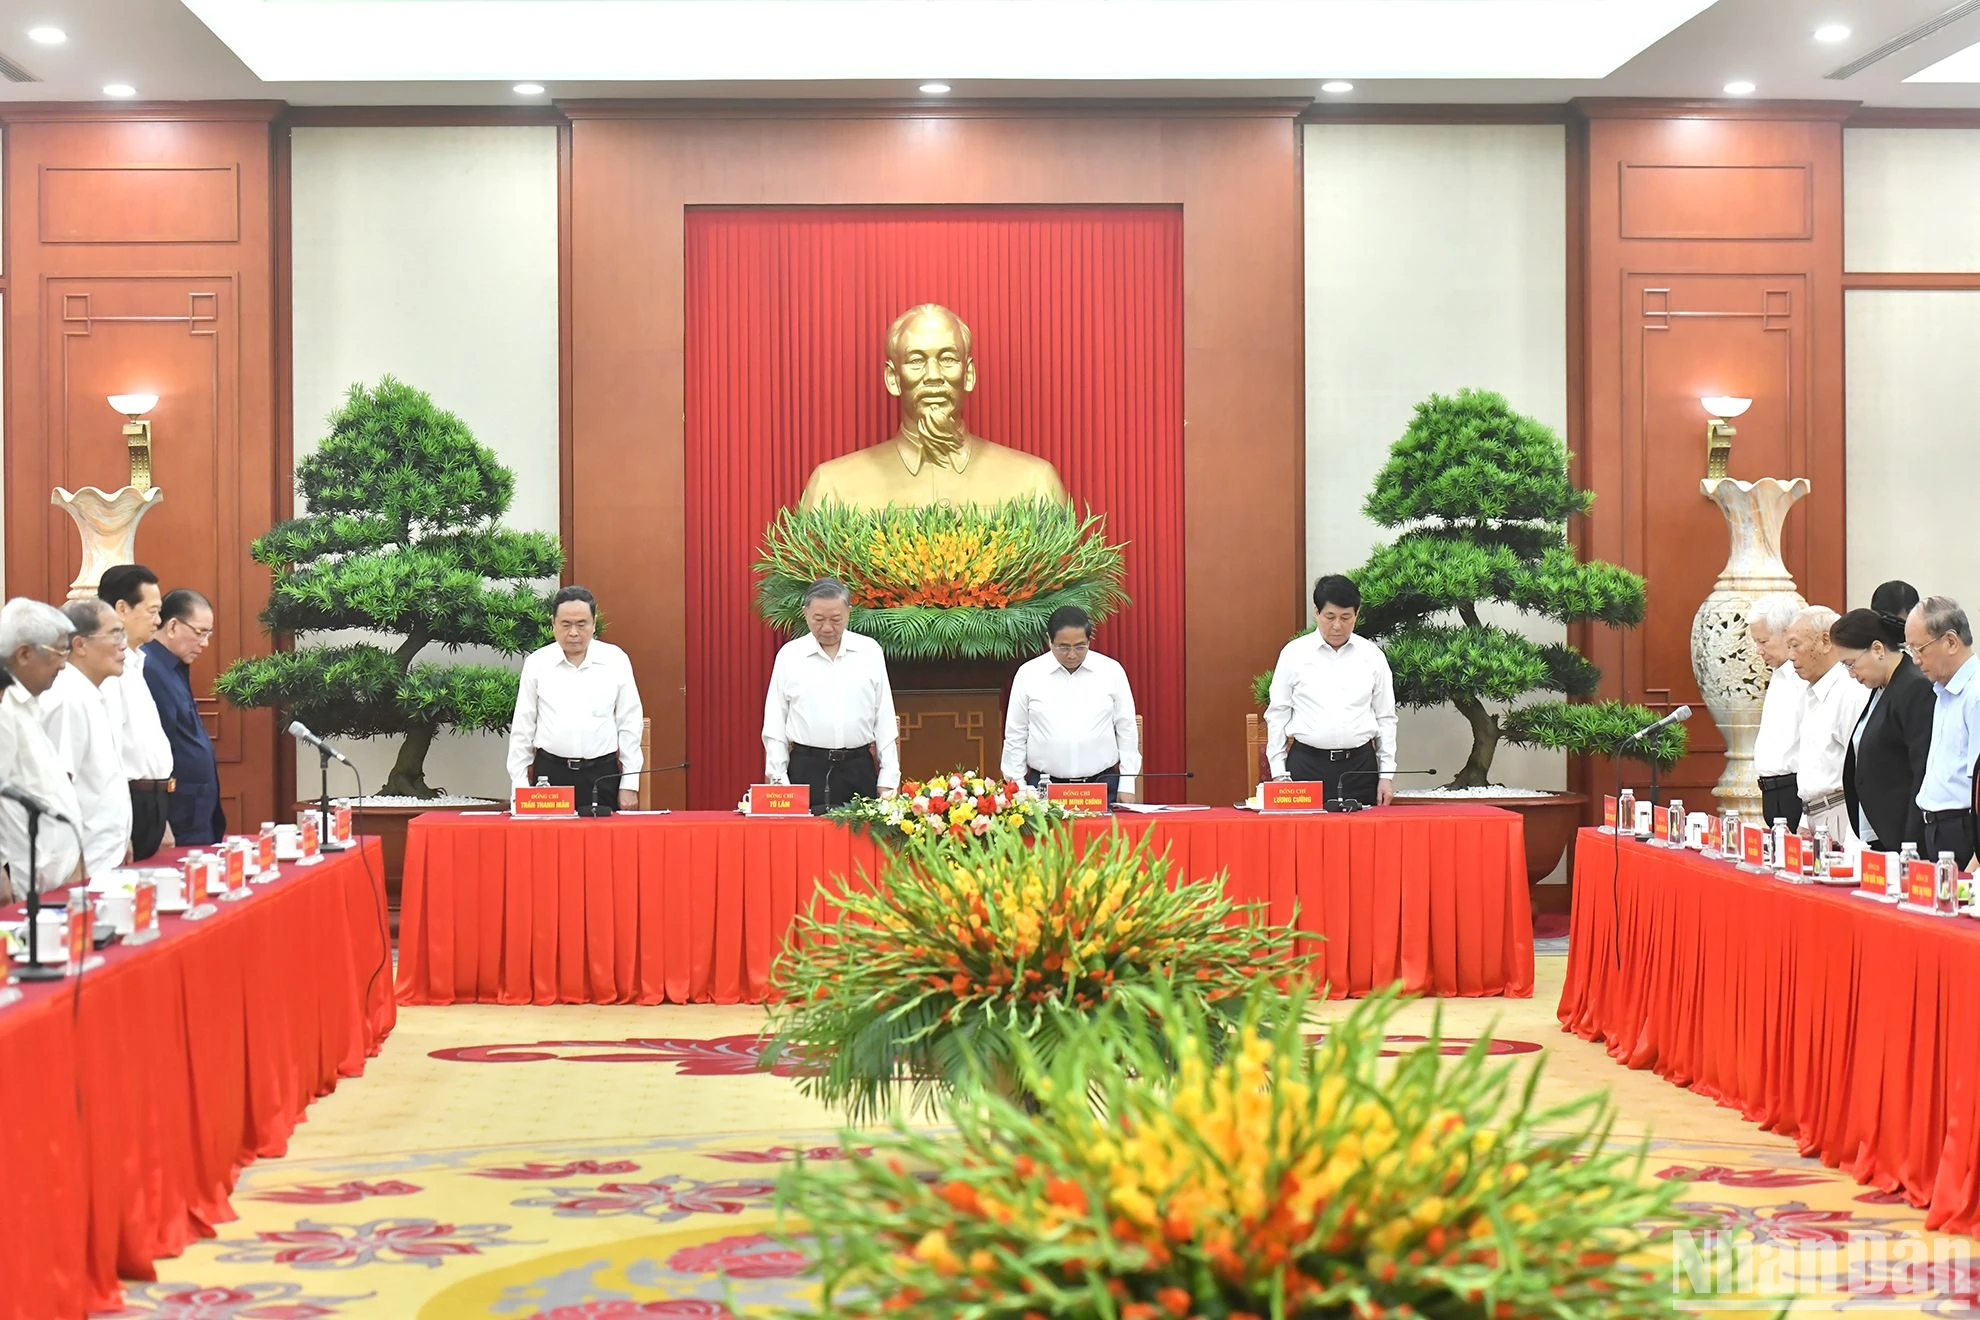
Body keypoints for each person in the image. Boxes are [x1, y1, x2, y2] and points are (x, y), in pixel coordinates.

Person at [798, 304, 1070, 511]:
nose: (933, 375)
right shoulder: (833, 487)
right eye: (916, 360)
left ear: (969, 374)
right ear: (892, 378)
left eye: (948, 359)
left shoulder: (1034, 483)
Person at [505, 585, 645, 816]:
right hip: (550, 776)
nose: (573, 633)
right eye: (566, 624)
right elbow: (523, 727)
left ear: (593, 622)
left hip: (603, 774)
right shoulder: (537, 664)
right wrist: (519, 786)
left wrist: (629, 784)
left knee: (603, 848)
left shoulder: (615, 660)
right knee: (551, 847)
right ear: (553, 623)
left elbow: (630, 724)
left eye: (582, 624)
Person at [763, 578, 899, 813]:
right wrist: (778, 778)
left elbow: (884, 716)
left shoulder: (869, 652)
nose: (827, 628)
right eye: (818, 619)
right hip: (806, 767)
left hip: (858, 766)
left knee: (860, 844)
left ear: (848, 612)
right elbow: (775, 722)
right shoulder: (790, 656)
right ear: (805, 614)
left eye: (836, 619)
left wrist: (888, 777)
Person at [1265, 574, 1398, 808]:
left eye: (1346, 617)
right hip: (1307, 765)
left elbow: (1385, 717)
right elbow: (1277, 714)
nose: (1337, 626)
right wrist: (1279, 773)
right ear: (1316, 612)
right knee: (1306, 840)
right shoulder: (1294, 654)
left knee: (1361, 840)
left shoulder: (1372, 656)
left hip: (1359, 767)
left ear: (1356, 614)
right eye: (1330, 617)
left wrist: (1386, 775)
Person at [1001, 606, 1141, 806]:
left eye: (1080, 646)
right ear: (1049, 640)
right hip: (1044, 789)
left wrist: (1127, 785)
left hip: (1102, 786)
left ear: (1089, 640)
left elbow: (1126, 730)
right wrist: (1018, 787)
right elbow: (1016, 734)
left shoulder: (1111, 671)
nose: (1072, 655)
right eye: (1064, 647)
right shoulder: (1029, 674)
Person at [41, 600, 132, 878]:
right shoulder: (67, 699)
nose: (123, 645)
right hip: (79, 869)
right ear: (79, 645)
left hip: (103, 858)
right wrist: (72, 865)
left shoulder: (93, 694)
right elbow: (55, 792)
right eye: (115, 634)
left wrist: (122, 837)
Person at [0, 599, 83, 899]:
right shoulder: (5, 709)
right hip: (23, 882)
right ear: (23, 653)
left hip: (52, 877)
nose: (64, 663)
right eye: (59, 652)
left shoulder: (28, 703)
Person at [1831, 608, 1933, 852]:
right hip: (1879, 831)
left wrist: (1911, 843)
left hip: (1903, 836)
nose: (1852, 674)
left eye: (1851, 664)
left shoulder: (1913, 687)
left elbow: (1920, 770)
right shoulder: (1881, 688)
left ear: (1877, 649)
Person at [98, 564, 174, 858]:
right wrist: (119, 828)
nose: (158, 621)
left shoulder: (137, 663)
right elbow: (110, 754)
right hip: (129, 802)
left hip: (152, 800)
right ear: (121, 609)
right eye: (152, 611)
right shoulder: (108, 670)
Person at [143, 588, 225, 845]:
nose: (205, 643)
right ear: (173, 626)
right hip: (178, 816)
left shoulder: (174, 668)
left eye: (209, 634)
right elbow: (152, 750)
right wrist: (161, 819)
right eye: (200, 633)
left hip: (196, 810)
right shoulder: (149, 670)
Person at [1786, 606, 1869, 846]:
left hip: (1842, 815)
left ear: (1825, 641)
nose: (1790, 655)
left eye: (1795, 645)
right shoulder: (1811, 692)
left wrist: (1854, 838)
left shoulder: (1850, 692)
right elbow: (1815, 763)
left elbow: (1860, 770)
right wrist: (1804, 819)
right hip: (1815, 816)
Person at [1908, 596, 1980, 868]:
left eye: (1920, 649)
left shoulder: (1975, 696)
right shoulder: (1943, 691)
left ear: (1950, 641)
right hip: (1936, 829)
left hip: (1964, 833)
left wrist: (1977, 860)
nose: (1915, 660)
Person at [1747, 594, 1807, 830]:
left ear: (1786, 633)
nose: (1758, 651)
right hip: (1771, 791)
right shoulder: (1778, 673)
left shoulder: (1804, 677)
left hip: (1795, 791)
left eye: (1763, 641)